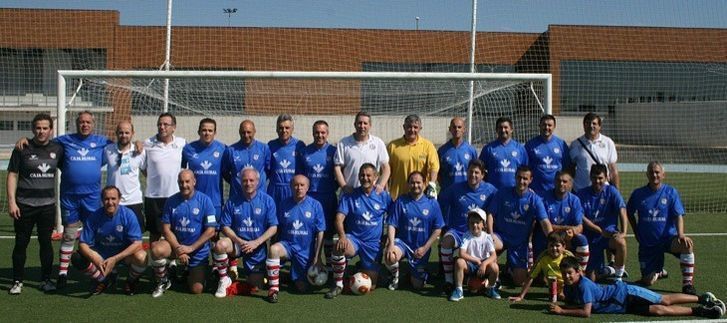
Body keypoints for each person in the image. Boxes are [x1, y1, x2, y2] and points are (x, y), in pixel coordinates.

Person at [549, 256, 725, 319]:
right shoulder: (571, 285)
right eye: (564, 274)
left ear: (579, 271)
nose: (567, 277)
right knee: (658, 311)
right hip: (623, 306)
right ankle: (700, 311)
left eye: (570, 273)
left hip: (626, 294)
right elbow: (577, 302)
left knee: (664, 300)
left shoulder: (584, 285)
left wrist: (562, 311)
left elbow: (586, 312)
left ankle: (702, 298)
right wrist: (563, 299)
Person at [7, 113, 64, 294]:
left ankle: (46, 280)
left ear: (51, 130)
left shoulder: (58, 149)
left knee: (45, 244)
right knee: (21, 243)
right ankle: (17, 281)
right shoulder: (22, 147)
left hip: (47, 206)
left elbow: (68, 169)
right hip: (24, 205)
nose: (41, 131)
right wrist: (12, 202)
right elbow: (12, 175)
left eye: (45, 128)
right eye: (38, 128)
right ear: (33, 129)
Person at [627, 161, 697, 295]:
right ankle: (659, 272)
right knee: (647, 281)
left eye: (657, 172)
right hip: (648, 243)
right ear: (647, 174)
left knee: (686, 245)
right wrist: (636, 231)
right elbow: (629, 213)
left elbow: (678, 215)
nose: (654, 175)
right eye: (651, 172)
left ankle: (687, 284)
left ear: (663, 174)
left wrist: (681, 234)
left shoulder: (671, 192)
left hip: (668, 239)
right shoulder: (638, 194)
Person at [325, 163, 393, 299]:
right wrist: (342, 236)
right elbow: (339, 219)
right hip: (354, 239)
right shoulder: (350, 195)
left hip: (373, 244)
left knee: (370, 286)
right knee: (339, 247)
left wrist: (387, 238)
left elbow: (394, 219)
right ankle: (338, 284)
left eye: (369, 175)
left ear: (375, 177)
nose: (365, 178)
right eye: (362, 175)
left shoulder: (383, 196)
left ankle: (368, 268)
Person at [149, 170, 218, 298]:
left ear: (194, 182)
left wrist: (191, 248)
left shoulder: (205, 200)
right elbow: (166, 229)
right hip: (177, 246)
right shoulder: (171, 201)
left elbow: (211, 230)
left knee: (196, 289)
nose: (184, 185)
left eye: (187, 181)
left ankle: (194, 271)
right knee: (156, 249)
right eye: (181, 182)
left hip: (197, 250)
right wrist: (179, 249)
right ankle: (163, 280)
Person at [212, 168, 278, 297]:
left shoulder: (267, 201)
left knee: (255, 285)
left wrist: (256, 243)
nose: (248, 183)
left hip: (257, 246)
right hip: (237, 243)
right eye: (244, 180)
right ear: (240, 182)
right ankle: (223, 279)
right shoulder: (232, 201)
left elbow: (273, 227)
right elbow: (225, 226)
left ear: (258, 182)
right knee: (220, 245)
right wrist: (239, 240)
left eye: (251, 180)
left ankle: (230, 276)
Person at [72, 186, 147, 296]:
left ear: (119, 199)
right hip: (102, 256)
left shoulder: (128, 215)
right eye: (107, 199)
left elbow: (137, 243)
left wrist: (115, 258)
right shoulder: (94, 216)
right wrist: (96, 259)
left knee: (142, 257)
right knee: (77, 258)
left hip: (123, 256)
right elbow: (82, 243)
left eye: (113, 199)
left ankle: (131, 281)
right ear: (102, 200)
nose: (110, 202)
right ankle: (103, 279)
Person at [486, 166, 552, 286]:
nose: (521, 181)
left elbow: (544, 222)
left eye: (525, 179)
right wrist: (490, 234)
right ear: (515, 177)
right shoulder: (503, 193)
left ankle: (509, 269)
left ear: (531, 180)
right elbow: (490, 214)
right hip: (501, 236)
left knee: (520, 282)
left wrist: (552, 238)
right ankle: (482, 273)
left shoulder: (535, 200)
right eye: (519, 177)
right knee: (489, 246)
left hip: (519, 243)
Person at [437, 159, 497, 291]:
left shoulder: (491, 190)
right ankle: (449, 279)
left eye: (476, 172)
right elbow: (439, 202)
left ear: (482, 175)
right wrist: (442, 228)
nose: (473, 175)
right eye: (470, 172)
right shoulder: (455, 188)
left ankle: (490, 276)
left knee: (496, 243)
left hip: (478, 233)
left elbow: (503, 199)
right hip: (458, 232)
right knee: (446, 241)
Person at [265, 175, 326, 303]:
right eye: (296, 185)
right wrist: (271, 252)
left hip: (304, 250)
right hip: (287, 245)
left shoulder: (316, 205)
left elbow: (320, 232)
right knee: (274, 250)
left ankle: (289, 275)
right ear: (291, 187)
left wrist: (317, 257)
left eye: (302, 185)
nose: (299, 188)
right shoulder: (283, 204)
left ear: (308, 187)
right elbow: (278, 228)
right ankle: (274, 289)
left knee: (302, 287)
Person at [384, 171, 444, 291]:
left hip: (421, 247)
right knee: (390, 255)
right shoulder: (401, 201)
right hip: (403, 243)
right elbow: (391, 224)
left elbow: (438, 229)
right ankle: (395, 277)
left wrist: (425, 248)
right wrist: (390, 244)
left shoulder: (432, 203)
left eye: (418, 183)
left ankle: (416, 274)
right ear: (408, 184)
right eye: (412, 183)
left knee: (417, 286)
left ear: (424, 184)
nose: (415, 185)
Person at [296, 120, 338, 269]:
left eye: (323, 132)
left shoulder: (334, 151)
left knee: (327, 232)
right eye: (317, 132)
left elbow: (339, 175)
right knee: (310, 232)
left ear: (327, 133)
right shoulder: (304, 152)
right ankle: (308, 263)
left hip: (328, 197)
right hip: (310, 199)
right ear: (313, 133)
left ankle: (329, 265)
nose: (320, 135)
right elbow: (300, 176)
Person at [576, 164, 628, 281]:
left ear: (606, 178)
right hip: (591, 237)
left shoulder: (612, 191)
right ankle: (607, 270)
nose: (597, 181)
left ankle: (618, 277)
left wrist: (624, 232)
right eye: (594, 178)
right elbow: (581, 217)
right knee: (592, 279)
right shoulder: (582, 194)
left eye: (600, 178)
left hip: (608, 235)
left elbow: (622, 210)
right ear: (590, 177)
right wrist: (599, 230)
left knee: (621, 242)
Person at [143, 112, 186, 242]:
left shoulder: (182, 143)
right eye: (160, 124)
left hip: (175, 195)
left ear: (174, 127)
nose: (162, 127)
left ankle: (173, 260)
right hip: (153, 196)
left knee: (174, 230)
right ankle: (158, 261)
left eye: (166, 124)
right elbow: (142, 167)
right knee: (155, 232)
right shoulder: (147, 144)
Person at [534, 171, 590, 270]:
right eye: (558, 181)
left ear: (570, 184)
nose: (561, 184)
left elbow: (580, 226)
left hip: (566, 236)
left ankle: (580, 271)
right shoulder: (543, 198)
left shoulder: (574, 200)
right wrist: (567, 228)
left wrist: (572, 232)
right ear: (554, 181)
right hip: (547, 235)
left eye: (564, 181)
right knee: (541, 278)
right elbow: (545, 224)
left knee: (582, 239)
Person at [448, 208, 500, 301]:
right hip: (471, 264)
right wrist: (476, 260)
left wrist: (484, 264)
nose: (475, 225)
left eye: (477, 222)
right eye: (472, 223)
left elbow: (493, 255)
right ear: (468, 224)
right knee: (459, 262)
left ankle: (490, 288)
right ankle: (459, 290)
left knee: (495, 267)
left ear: (483, 224)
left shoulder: (487, 237)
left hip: (484, 265)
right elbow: (461, 253)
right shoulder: (466, 236)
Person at [334, 111, 390, 194]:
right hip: (351, 193)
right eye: (359, 123)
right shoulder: (343, 143)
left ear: (370, 125)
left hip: (370, 194)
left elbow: (386, 168)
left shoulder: (378, 143)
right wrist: (344, 186)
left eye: (365, 123)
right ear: (355, 124)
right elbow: (337, 168)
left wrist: (380, 185)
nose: (362, 126)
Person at [104, 121, 146, 232]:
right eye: (121, 132)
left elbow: (147, 173)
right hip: (113, 202)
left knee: (136, 235)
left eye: (127, 132)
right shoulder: (107, 150)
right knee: (113, 234)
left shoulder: (140, 152)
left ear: (132, 133)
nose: (124, 135)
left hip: (134, 201)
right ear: (116, 133)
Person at [509, 232, 573, 303]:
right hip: (553, 287)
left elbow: (578, 274)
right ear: (547, 246)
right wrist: (521, 296)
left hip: (570, 285)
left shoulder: (568, 256)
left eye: (557, 246)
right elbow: (531, 277)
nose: (554, 248)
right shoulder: (543, 257)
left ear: (564, 246)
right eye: (551, 245)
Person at [182, 118, 226, 221]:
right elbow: (182, 171)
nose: (207, 133)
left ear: (215, 133)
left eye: (210, 131)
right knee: (194, 232)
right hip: (194, 201)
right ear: (199, 131)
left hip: (214, 203)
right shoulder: (188, 149)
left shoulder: (223, 149)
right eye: (204, 130)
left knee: (213, 232)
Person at [386, 114, 440, 200]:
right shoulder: (393, 146)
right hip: (397, 197)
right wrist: (385, 190)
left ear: (420, 128)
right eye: (409, 127)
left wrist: (432, 184)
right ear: (404, 127)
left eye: (415, 127)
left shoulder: (428, 146)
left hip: (420, 198)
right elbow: (386, 170)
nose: (412, 130)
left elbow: (434, 168)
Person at [569, 112, 619, 191]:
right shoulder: (575, 144)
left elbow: (612, 169)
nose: (591, 126)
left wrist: (616, 191)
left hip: (602, 190)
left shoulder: (608, 142)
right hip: (581, 190)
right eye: (588, 123)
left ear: (599, 126)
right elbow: (571, 168)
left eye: (594, 123)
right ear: (584, 126)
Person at [222, 119, 271, 197]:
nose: (246, 135)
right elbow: (225, 172)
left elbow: (269, 170)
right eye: (243, 132)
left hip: (259, 196)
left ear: (254, 131)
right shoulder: (231, 150)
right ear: (239, 132)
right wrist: (237, 182)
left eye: (249, 132)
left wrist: (258, 181)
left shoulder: (264, 148)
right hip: (237, 195)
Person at [525, 114, 570, 197]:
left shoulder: (561, 144)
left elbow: (567, 168)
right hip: (536, 191)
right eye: (544, 125)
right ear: (539, 126)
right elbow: (525, 168)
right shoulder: (530, 145)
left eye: (549, 125)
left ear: (554, 127)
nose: (546, 127)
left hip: (556, 191)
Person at [478, 117, 528, 190]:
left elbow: (526, 171)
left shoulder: (520, 149)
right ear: (496, 130)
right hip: (493, 193)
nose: (503, 130)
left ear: (511, 130)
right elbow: (480, 170)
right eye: (500, 127)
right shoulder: (488, 149)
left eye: (506, 127)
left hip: (514, 192)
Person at [267, 114, 305, 202]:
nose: (284, 130)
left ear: (292, 129)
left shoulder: (299, 145)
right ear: (276, 129)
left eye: (287, 128)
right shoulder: (270, 145)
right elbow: (266, 169)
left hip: (293, 190)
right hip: (275, 190)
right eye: (281, 128)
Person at [437, 117, 477, 192]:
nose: (457, 129)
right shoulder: (442, 150)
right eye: (454, 127)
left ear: (464, 129)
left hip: (466, 192)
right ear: (450, 129)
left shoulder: (471, 150)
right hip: (448, 193)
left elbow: (476, 171)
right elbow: (437, 173)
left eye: (459, 127)